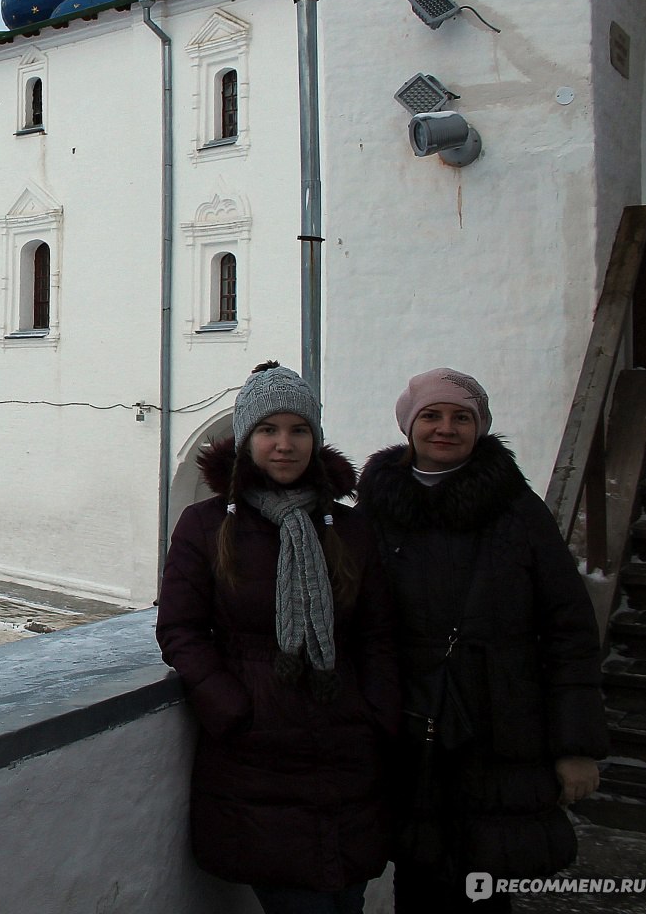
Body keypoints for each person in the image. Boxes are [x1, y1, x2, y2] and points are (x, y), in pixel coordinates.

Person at [356, 368, 606, 913]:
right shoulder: (378, 512)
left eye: (461, 417)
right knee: (417, 873)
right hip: (411, 726)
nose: (446, 428)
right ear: (408, 424)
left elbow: (569, 630)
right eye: (432, 415)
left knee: (488, 878)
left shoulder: (517, 511)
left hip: (503, 725)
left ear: (480, 427)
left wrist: (576, 746)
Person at [157, 362, 397, 914]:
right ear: (246, 441)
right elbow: (180, 629)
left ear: (316, 438)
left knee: (347, 895)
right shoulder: (206, 524)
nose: (284, 445)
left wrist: (377, 710)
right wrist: (232, 707)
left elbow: (378, 633)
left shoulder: (349, 527)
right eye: (268, 431)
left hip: (348, 751)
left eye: (298, 430)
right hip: (256, 755)